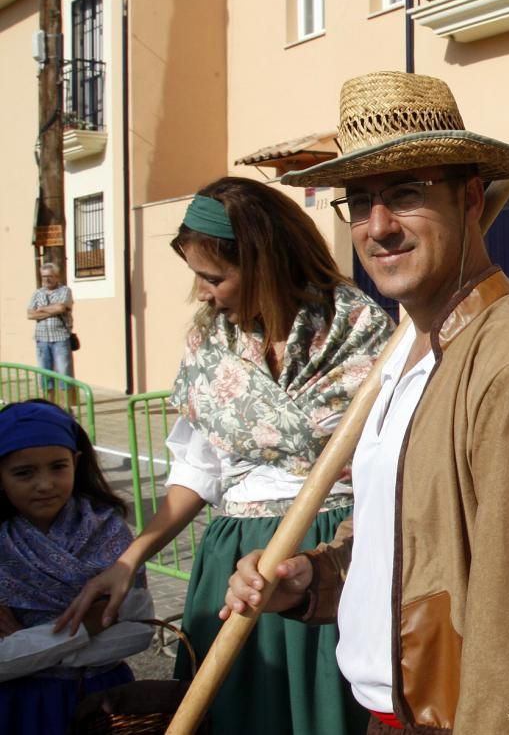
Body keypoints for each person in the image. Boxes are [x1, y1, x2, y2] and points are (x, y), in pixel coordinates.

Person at [221, 72, 509, 734]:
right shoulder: (406, 358)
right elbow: (406, 542)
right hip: (388, 717)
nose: (378, 227)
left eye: (405, 193)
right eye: (359, 201)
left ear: (469, 198)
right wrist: (311, 578)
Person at [59, 176, 395, 735]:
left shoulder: (364, 333)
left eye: (214, 277)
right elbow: (199, 471)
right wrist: (130, 558)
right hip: (232, 564)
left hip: (336, 556)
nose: (203, 294)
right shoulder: (209, 344)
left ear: (265, 262)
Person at [0, 400, 154, 735]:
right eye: (24, 473)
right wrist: (88, 626)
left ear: (76, 462)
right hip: (19, 704)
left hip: (103, 699)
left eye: (58, 467)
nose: (44, 484)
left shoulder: (109, 529)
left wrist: (33, 647)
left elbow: (138, 630)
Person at [26, 262, 74, 398]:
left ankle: (66, 408)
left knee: (64, 374)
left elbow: (61, 308)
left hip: (60, 338)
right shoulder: (37, 293)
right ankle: (50, 406)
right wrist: (52, 309)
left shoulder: (65, 291)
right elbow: (30, 314)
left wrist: (41, 309)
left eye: (50, 276)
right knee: (45, 375)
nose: (46, 279)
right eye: (44, 276)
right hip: (41, 339)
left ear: (57, 276)